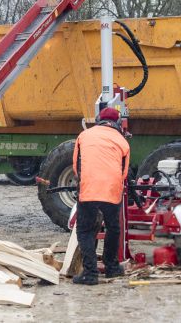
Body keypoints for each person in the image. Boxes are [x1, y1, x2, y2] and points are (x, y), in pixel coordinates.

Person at [72, 106, 130, 285]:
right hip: (111, 189)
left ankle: (90, 273)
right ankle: (112, 268)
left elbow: (76, 166)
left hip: (89, 188)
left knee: (85, 230)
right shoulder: (123, 141)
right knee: (113, 227)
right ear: (118, 123)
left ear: (98, 120)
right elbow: (124, 172)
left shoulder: (84, 135)